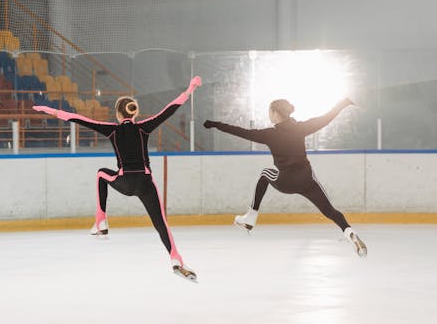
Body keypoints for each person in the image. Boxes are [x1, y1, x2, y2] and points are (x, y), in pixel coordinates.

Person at [32, 76, 202, 281]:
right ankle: (175, 258)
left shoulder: (111, 130)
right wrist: (190, 88)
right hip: (146, 183)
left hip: (124, 182)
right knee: (161, 223)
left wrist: (48, 110)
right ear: (135, 113)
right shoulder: (144, 127)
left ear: (117, 113)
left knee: (101, 174)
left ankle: (101, 220)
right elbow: (170, 109)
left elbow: (76, 118)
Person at [202, 97, 367, 257]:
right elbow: (325, 118)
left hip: (285, 182)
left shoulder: (270, 134)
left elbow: (241, 132)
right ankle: (348, 231)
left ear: (275, 113)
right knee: (329, 210)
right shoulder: (301, 128)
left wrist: (216, 125)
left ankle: (251, 217)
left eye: (269, 111)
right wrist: (342, 104)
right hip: (306, 180)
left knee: (265, 173)